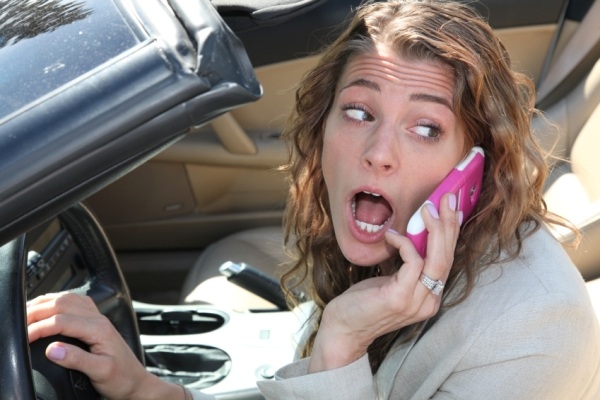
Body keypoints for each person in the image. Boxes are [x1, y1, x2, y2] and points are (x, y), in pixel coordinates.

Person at [26, 0, 600, 399]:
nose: (378, 152)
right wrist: (147, 391)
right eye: (358, 111)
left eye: (425, 128)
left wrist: (342, 343)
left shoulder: (532, 339)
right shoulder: (390, 248)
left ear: (472, 169)